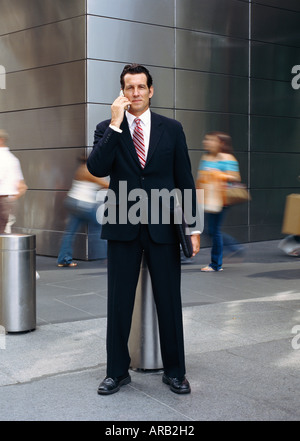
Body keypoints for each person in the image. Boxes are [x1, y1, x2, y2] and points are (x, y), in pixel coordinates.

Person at [87, 63, 200, 395]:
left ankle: (175, 371)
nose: (135, 93)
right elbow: (97, 167)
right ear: (122, 92)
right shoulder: (108, 127)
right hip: (122, 224)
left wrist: (193, 227)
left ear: (151, 90)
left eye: (140, 87)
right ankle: (117, 372)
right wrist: (115, 124)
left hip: (163, 227)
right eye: (128, 88)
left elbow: (185, 180)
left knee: (169, 300)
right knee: (119, 302)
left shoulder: (172, 128)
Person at [196, 131, 242, 272]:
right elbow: (200, 177)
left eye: (211, 140)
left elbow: (235, 178)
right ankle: (234, 248)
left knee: (214, 230)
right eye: (206, 140)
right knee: (209, 230)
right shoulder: (206, 157)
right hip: (206, 197)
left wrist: (218, 174)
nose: (207, 142)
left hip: (221, 199)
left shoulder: (227, 157)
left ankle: (216, 264)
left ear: (220, 143)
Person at [57, 156, 109, 267]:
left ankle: (64, 259)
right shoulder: (89, 170)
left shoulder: (82, 169)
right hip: (83, 205)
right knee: (100, 229)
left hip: (74, 202)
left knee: (70, 233)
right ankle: (110, 257)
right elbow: (106, 185)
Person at [0, 129, 27, 234]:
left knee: (2, 235)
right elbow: (22, 186)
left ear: (1, 140)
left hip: (3, 202)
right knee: (4, 236)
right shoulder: (13, 159)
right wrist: (11, 200)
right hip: (7, 202)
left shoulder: (3, 158)